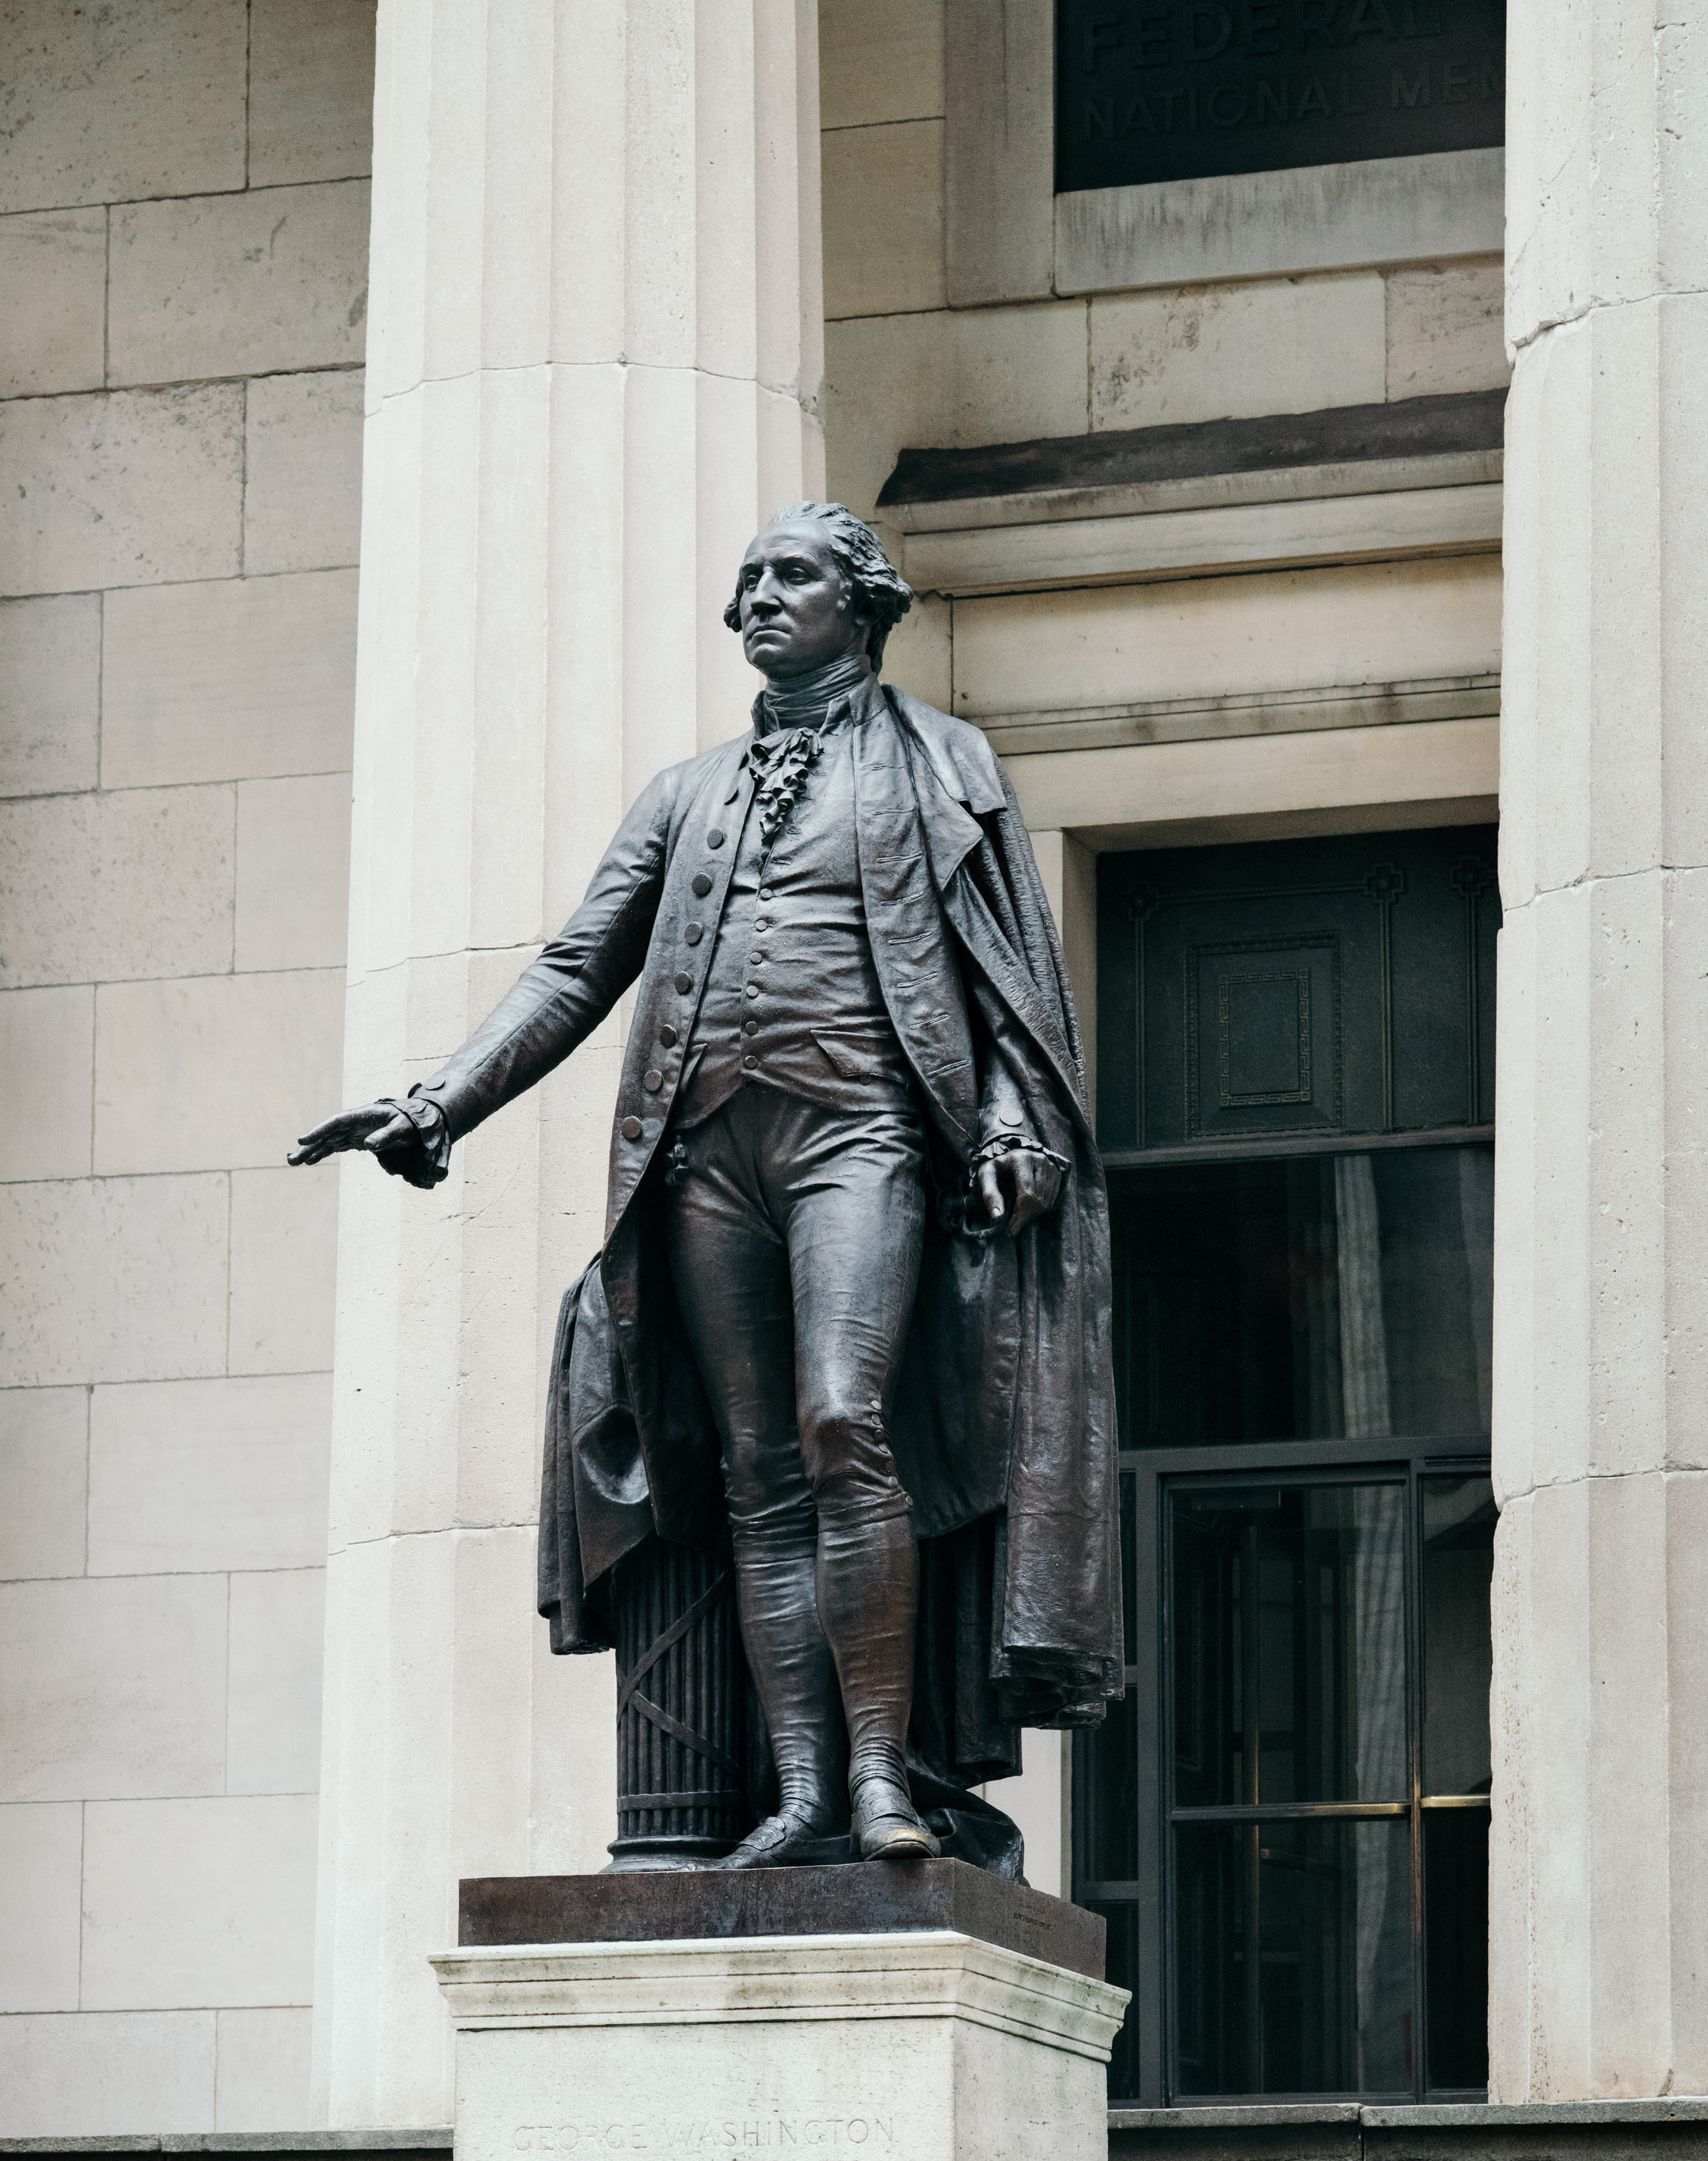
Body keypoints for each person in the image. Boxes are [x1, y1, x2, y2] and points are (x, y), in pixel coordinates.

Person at [293, 504, 1123, 1867]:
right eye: (742, 581)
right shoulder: (684, 795)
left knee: (846, 1419)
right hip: (704, 1158)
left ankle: (879, 1780)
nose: (756, 599)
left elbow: (1011, 973)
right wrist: (441, 1101)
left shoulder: (943, 765)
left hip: (862, 1134)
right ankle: (799, 1792)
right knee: (757, 1474)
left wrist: (1020, 1117)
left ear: (863, 602)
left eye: (788, 574)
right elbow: (577, 966)